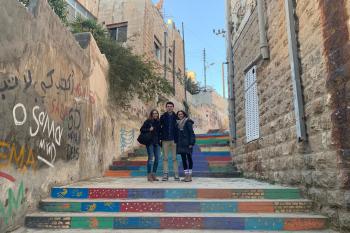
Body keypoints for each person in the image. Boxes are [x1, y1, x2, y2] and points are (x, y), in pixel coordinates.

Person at [160, 101, 179, 181]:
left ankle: (176, 175)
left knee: (174, 158)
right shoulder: (163, 117)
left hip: (174, 140)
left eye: (171, 106)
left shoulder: (177, 117)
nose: (169, 107)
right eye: (168, 106)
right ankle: (165, 175)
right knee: (165, 158)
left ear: (173, 107)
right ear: (166, 107)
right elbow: (159, 128)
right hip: (165, 140)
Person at [140, 109, 161, 182]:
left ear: (158, 114)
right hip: (150, 143)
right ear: (151, 114)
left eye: (156, 113)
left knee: (157, 159)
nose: (155, 114)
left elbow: (160, 132)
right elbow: (141, 129)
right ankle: (149, 175)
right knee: (150, 159)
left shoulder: (159, 122)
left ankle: (153, 174)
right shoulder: (148, 121)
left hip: (157, 143)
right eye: (154, 113)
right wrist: (149, 129)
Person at [175, 110, 195, 182]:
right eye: (179, 114)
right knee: (183, 159)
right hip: (181, 144)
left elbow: (191, 133)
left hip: (187, 143)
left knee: (189, 158)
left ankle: (190, 175)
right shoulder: (177, 123)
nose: (180, 115)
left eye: (181, 114)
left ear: (184, 114)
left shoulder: (188, 122)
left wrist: (191, 143)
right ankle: (186, 175)